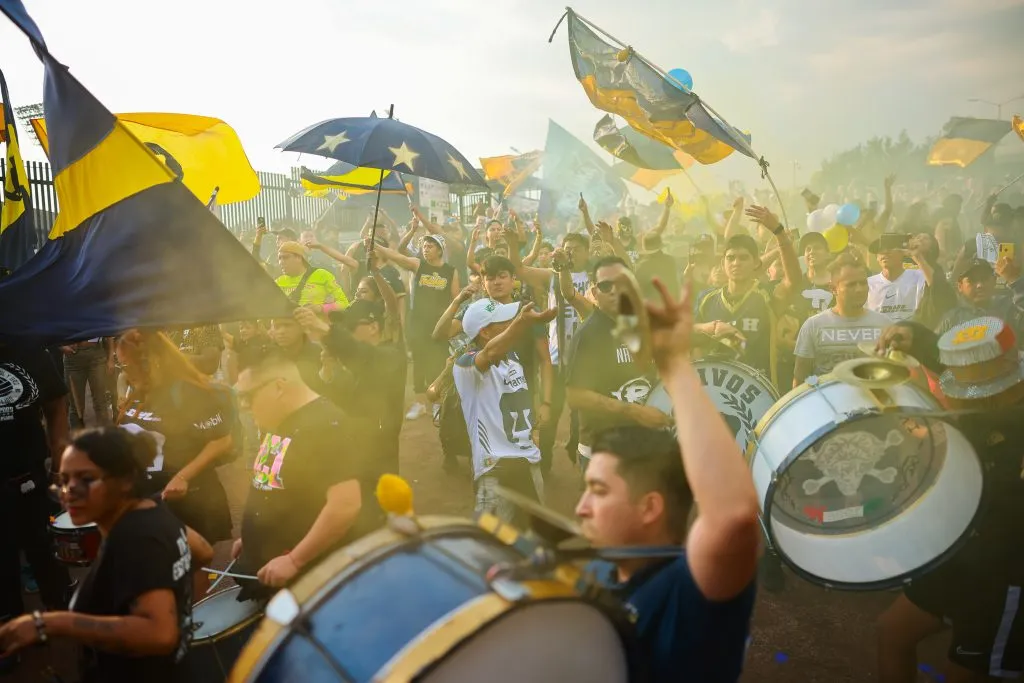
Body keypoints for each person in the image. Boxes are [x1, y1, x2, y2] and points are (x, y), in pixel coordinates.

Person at [576, 277, 760, 683]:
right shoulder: (600, 570)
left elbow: (732, 517)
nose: (580, 507)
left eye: (598, 491)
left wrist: (675, 366)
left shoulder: (689, 590)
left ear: (650, 507)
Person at [877, 317, 1024, 682]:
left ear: (997, 392)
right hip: (961, 555)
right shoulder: (989, 396)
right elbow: (971, 369)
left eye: (966, 391)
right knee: (891, 633)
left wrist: (936, 434)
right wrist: (916, 337)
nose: (954, 395)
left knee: (959, 675)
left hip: (1005, 575)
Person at [0, 428, 201, 683]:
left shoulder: (135, 537)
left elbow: (160, 635)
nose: (69, 492)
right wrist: (181, 607)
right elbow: (203, 550)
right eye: (64, 481)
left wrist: (49, 623)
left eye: (86, 479)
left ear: (125, 480)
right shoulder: (152, 510)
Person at [231, 350, 372, 595]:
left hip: (305, 577)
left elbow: (346, 505)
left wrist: (295, 560)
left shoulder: (326, 426)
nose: (243, 406)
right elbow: (277, 484)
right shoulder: (280, 419)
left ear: (278, 387)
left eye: (247, 397)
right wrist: (254, 537)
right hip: (271, 562)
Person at [115, 331, 234, 573]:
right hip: (148, 495)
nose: (123, 371)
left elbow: (222, 440)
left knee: (188, 567)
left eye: (127, 364)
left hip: (188, 499)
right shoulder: (138, 389)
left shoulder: (188, 392)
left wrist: (183, 476)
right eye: (120, 364)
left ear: (151, 361)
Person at [566, 256, 673, 475]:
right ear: (595, 292)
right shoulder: (588, 335)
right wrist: (635, 412)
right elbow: (575, 396)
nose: (615, 290)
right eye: (606, 286)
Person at [453, 298, 556, 522]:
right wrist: (522, 321)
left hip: (528, 461)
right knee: (493, 539)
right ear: (485, 333)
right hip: (495, 467)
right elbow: (489, 353)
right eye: (503, 321)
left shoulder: (513, 357)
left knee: (534, 534)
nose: (509, 322)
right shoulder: (466, 365)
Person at [0, 344, 73, 655]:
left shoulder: (28, 348)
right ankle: (10, 631)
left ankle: (61, 617)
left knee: (47, 550)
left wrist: (59, 463)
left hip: (30, 478)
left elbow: (57, 407)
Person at [296, 301, 407, 478]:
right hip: (351, 452)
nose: (346, 332)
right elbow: (338, 401)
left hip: (379, 457)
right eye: (342, 328)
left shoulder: (392, 356)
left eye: (350, 327)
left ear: (373, 327)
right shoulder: (353, 360)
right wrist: (328, 371)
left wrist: (326, 331)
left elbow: (364, 356)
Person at [695, 205, 801, 387]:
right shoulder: (707, 299)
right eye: (731, 258)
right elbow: (686, 332)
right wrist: (711, 327)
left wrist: (779, 232)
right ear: (723, 263)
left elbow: (794, 281)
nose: (736, 263)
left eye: (743, 258)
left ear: (756, 263)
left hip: (759, 393)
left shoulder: (767, 296)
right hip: (715, 392)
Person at [375, 234, 459, 422]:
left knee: (438, 363)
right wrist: (378, 247)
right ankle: (420, 403)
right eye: (424, 246)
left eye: (430, 246)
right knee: (419, 362)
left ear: (440, 250)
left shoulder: (450, 271)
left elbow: (455, 298)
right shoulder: (418, 265)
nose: (425, 249)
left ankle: (437, 403)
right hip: (418, 323)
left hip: (440, 324)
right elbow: (398, 256)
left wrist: (452, 323)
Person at [794, 254, 893, 385]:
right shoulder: (813, 325)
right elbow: (800, 379)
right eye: (851, 285)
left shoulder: (884, 324)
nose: (859, 289)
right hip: (829, 396)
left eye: (863, 283)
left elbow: (895, 374)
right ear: (833, 289)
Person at [937, 257, 1024, 340]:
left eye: (984, 278)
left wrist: (1013, 279)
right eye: (972, 280)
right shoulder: (951, 319)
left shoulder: (1007, 307)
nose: (980, 285)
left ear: (994, 281)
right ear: (960, 286)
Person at [275, 241, 350, 310]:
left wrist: (321, 308)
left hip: (315, 320)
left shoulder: (322, 275)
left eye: (285, 257)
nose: (281, 262)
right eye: (279, 258)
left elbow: (344, 303)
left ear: (299, 258)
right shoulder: (278, 282)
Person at [61, 338, 114, 428]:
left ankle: (105, 435)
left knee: (101, 402)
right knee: (75, 407)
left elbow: (108, 333)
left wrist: (111, 358)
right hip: (73, 358)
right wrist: (61, 347)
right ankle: (78, 436)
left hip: (96, 353)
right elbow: (53, 330)